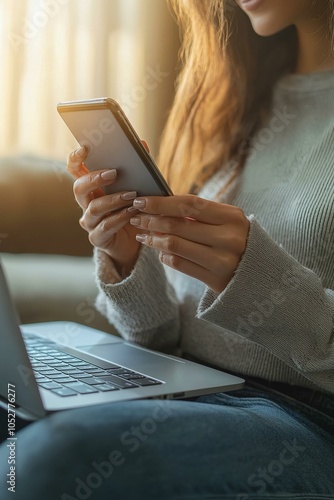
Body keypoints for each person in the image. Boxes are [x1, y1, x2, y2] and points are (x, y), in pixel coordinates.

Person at [1, 0, 334, 498]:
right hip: (187, 385)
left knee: (51, 459)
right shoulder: (240, 97)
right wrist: (127, 257)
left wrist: (260, 279)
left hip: (304, 418)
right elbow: (159, 341)